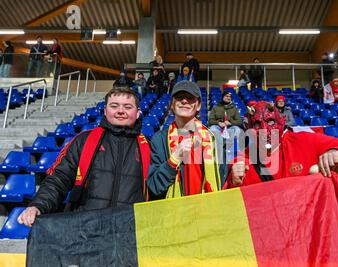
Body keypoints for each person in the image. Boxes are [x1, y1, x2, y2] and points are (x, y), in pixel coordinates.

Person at [18, 88, 150, 227]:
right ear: (105, 111)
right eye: (114, 106)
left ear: (137, 113)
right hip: (86, 231)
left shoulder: (147, 147)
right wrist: (38, 206)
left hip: (128, 231)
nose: (120, 111)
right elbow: (58, 179)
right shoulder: (83, 140)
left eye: (128, 107)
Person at [225, 101, 338, 188]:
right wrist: (234, 181)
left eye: (270, 122)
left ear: (281, 122)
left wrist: (336, 151)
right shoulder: (244, 159)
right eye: (257, 124)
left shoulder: (305, 141)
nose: (264, 130)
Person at [147, 81, 224, 199]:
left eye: (190, 98)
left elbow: (222, 183)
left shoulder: (214, 139)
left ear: (198, 106)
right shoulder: (159, 139)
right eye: (179, 97)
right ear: (172, 104)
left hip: (206, 210)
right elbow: (154, 186)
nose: (184, 101)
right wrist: (174, 159)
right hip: (173, 213)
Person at [208, 91, 243, 157]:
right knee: (213, 128)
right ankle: (218, 147)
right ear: (222, 97)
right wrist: (218, 123)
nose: (228, 98)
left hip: (229, 128)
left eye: (230, 97)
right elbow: (210, 121)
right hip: (219, 128)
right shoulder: (216, 107)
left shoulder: (234, 108)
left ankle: (232, 149)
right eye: (226, 96)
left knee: (237, 129)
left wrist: (230, 123)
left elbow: (239, 121)